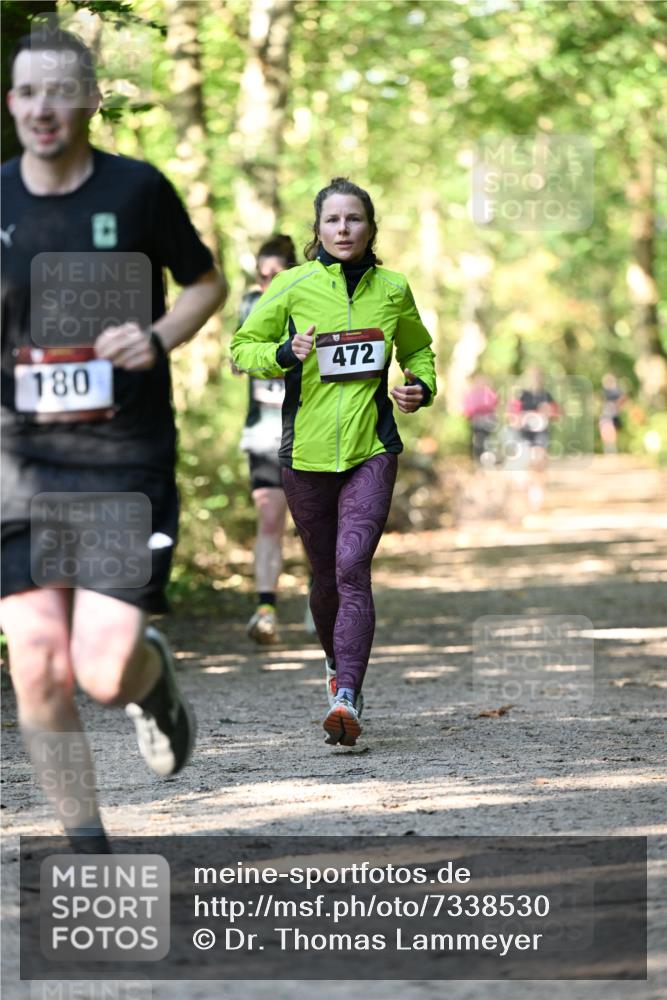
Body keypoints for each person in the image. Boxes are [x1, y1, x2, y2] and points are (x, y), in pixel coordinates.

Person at [0, 29, 226, 851]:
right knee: (37, 662)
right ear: (12, 103)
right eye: (28, 93)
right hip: (18, 459)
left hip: (119, 455)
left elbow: (205, 283)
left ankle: (149, 680)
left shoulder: (137, 192)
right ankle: (85, 843)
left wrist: (159, 336)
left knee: (98, 670)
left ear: (94, 99)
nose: (44, 108)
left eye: (61, 91)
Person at [232, 177, 436, 746]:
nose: (343, 229)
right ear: (317, 230)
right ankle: (335, 663)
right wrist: (283, 352)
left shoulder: (393, 288)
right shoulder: (293, 286)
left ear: (371, 228)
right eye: (332, 220)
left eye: (354, 220)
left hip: (372, 448)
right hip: (307, 453)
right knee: (325, 576)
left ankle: (347, 693)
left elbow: (418, 347)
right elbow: (242, 346)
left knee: (352, 567)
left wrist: (419, 383)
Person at [236, 235, 300, 645]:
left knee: (313, 522)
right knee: (270, 517)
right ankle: (265, 611)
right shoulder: (247, 304)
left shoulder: (311, 298)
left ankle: (321, 595)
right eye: (261, 276)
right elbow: (238, 358)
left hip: (307, 430)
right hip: (263, 431)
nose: (265, 283)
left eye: (273, 275)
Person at [511, 366, 559, 511]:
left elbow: (556, 414)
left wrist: (548, 412)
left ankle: (540, 498)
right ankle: (530, 498)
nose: (535, 379)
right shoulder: (522, 395)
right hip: (525, 435)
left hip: (541, 434)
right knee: (529, 467)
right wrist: (521, 420)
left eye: (538, 376)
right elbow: (513, 416)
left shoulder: (546, 395)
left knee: (540, 464)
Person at [462, 373, 498, 465]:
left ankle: (487, 457)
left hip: (488, 421)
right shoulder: (471, 394)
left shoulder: (489, 393)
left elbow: (492, 403)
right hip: (475, 421)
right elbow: (468, 410)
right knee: (478, 438)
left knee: (486, 437)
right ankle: (477, 458)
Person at [599, 373, 626, 454]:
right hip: (607, 415)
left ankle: (612, 448)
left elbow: (623, 399)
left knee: (614, 432)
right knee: (607, 431)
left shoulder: (617, 391)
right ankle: (609, 448)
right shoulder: (605, 392)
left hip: (614, 414)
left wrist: (618, 406)